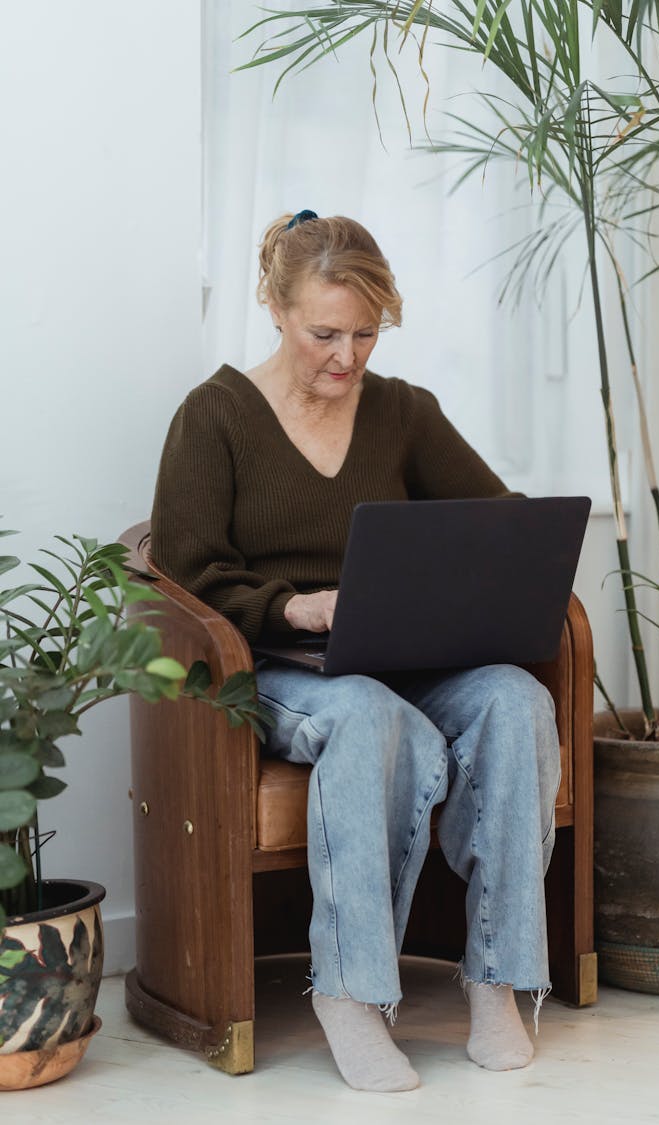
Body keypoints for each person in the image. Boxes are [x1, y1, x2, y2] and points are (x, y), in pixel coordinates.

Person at [151, 210, 560, 1093]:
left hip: (405, 652)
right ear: (272, 305)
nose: (346, 356)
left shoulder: (405, 413)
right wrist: (293, 606)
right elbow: (186, 576)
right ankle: (352, 993)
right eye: (323, 332)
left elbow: (498, 522)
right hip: (275, 664)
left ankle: (497, 981)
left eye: (365, 334)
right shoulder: (213, 416)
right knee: (374, 716)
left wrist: (477, 569)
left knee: (517, 699)